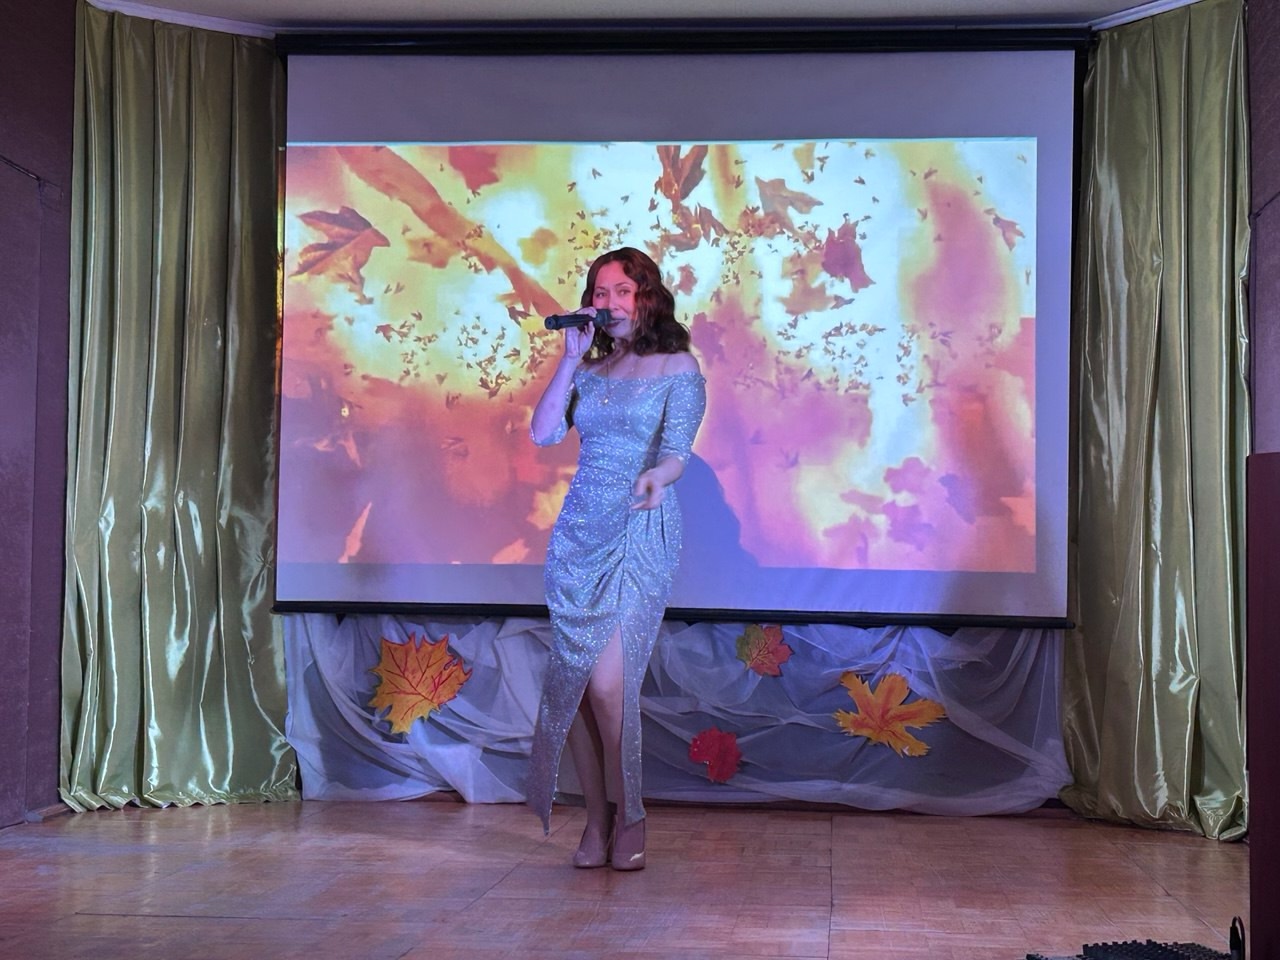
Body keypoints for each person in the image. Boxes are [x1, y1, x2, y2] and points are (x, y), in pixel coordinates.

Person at [525, 247, 706, 871]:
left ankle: (631, 813)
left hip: (639, 527)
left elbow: (677, 451)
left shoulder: (678, 366)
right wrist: (567, 359)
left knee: (606, 685)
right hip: (579, 534)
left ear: (647, 297)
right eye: (599, 293)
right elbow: (543, 433)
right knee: (576, 687)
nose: (609, 304)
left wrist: (659, 476)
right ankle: (597, 821)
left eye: (622, 292)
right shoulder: (590, 371)